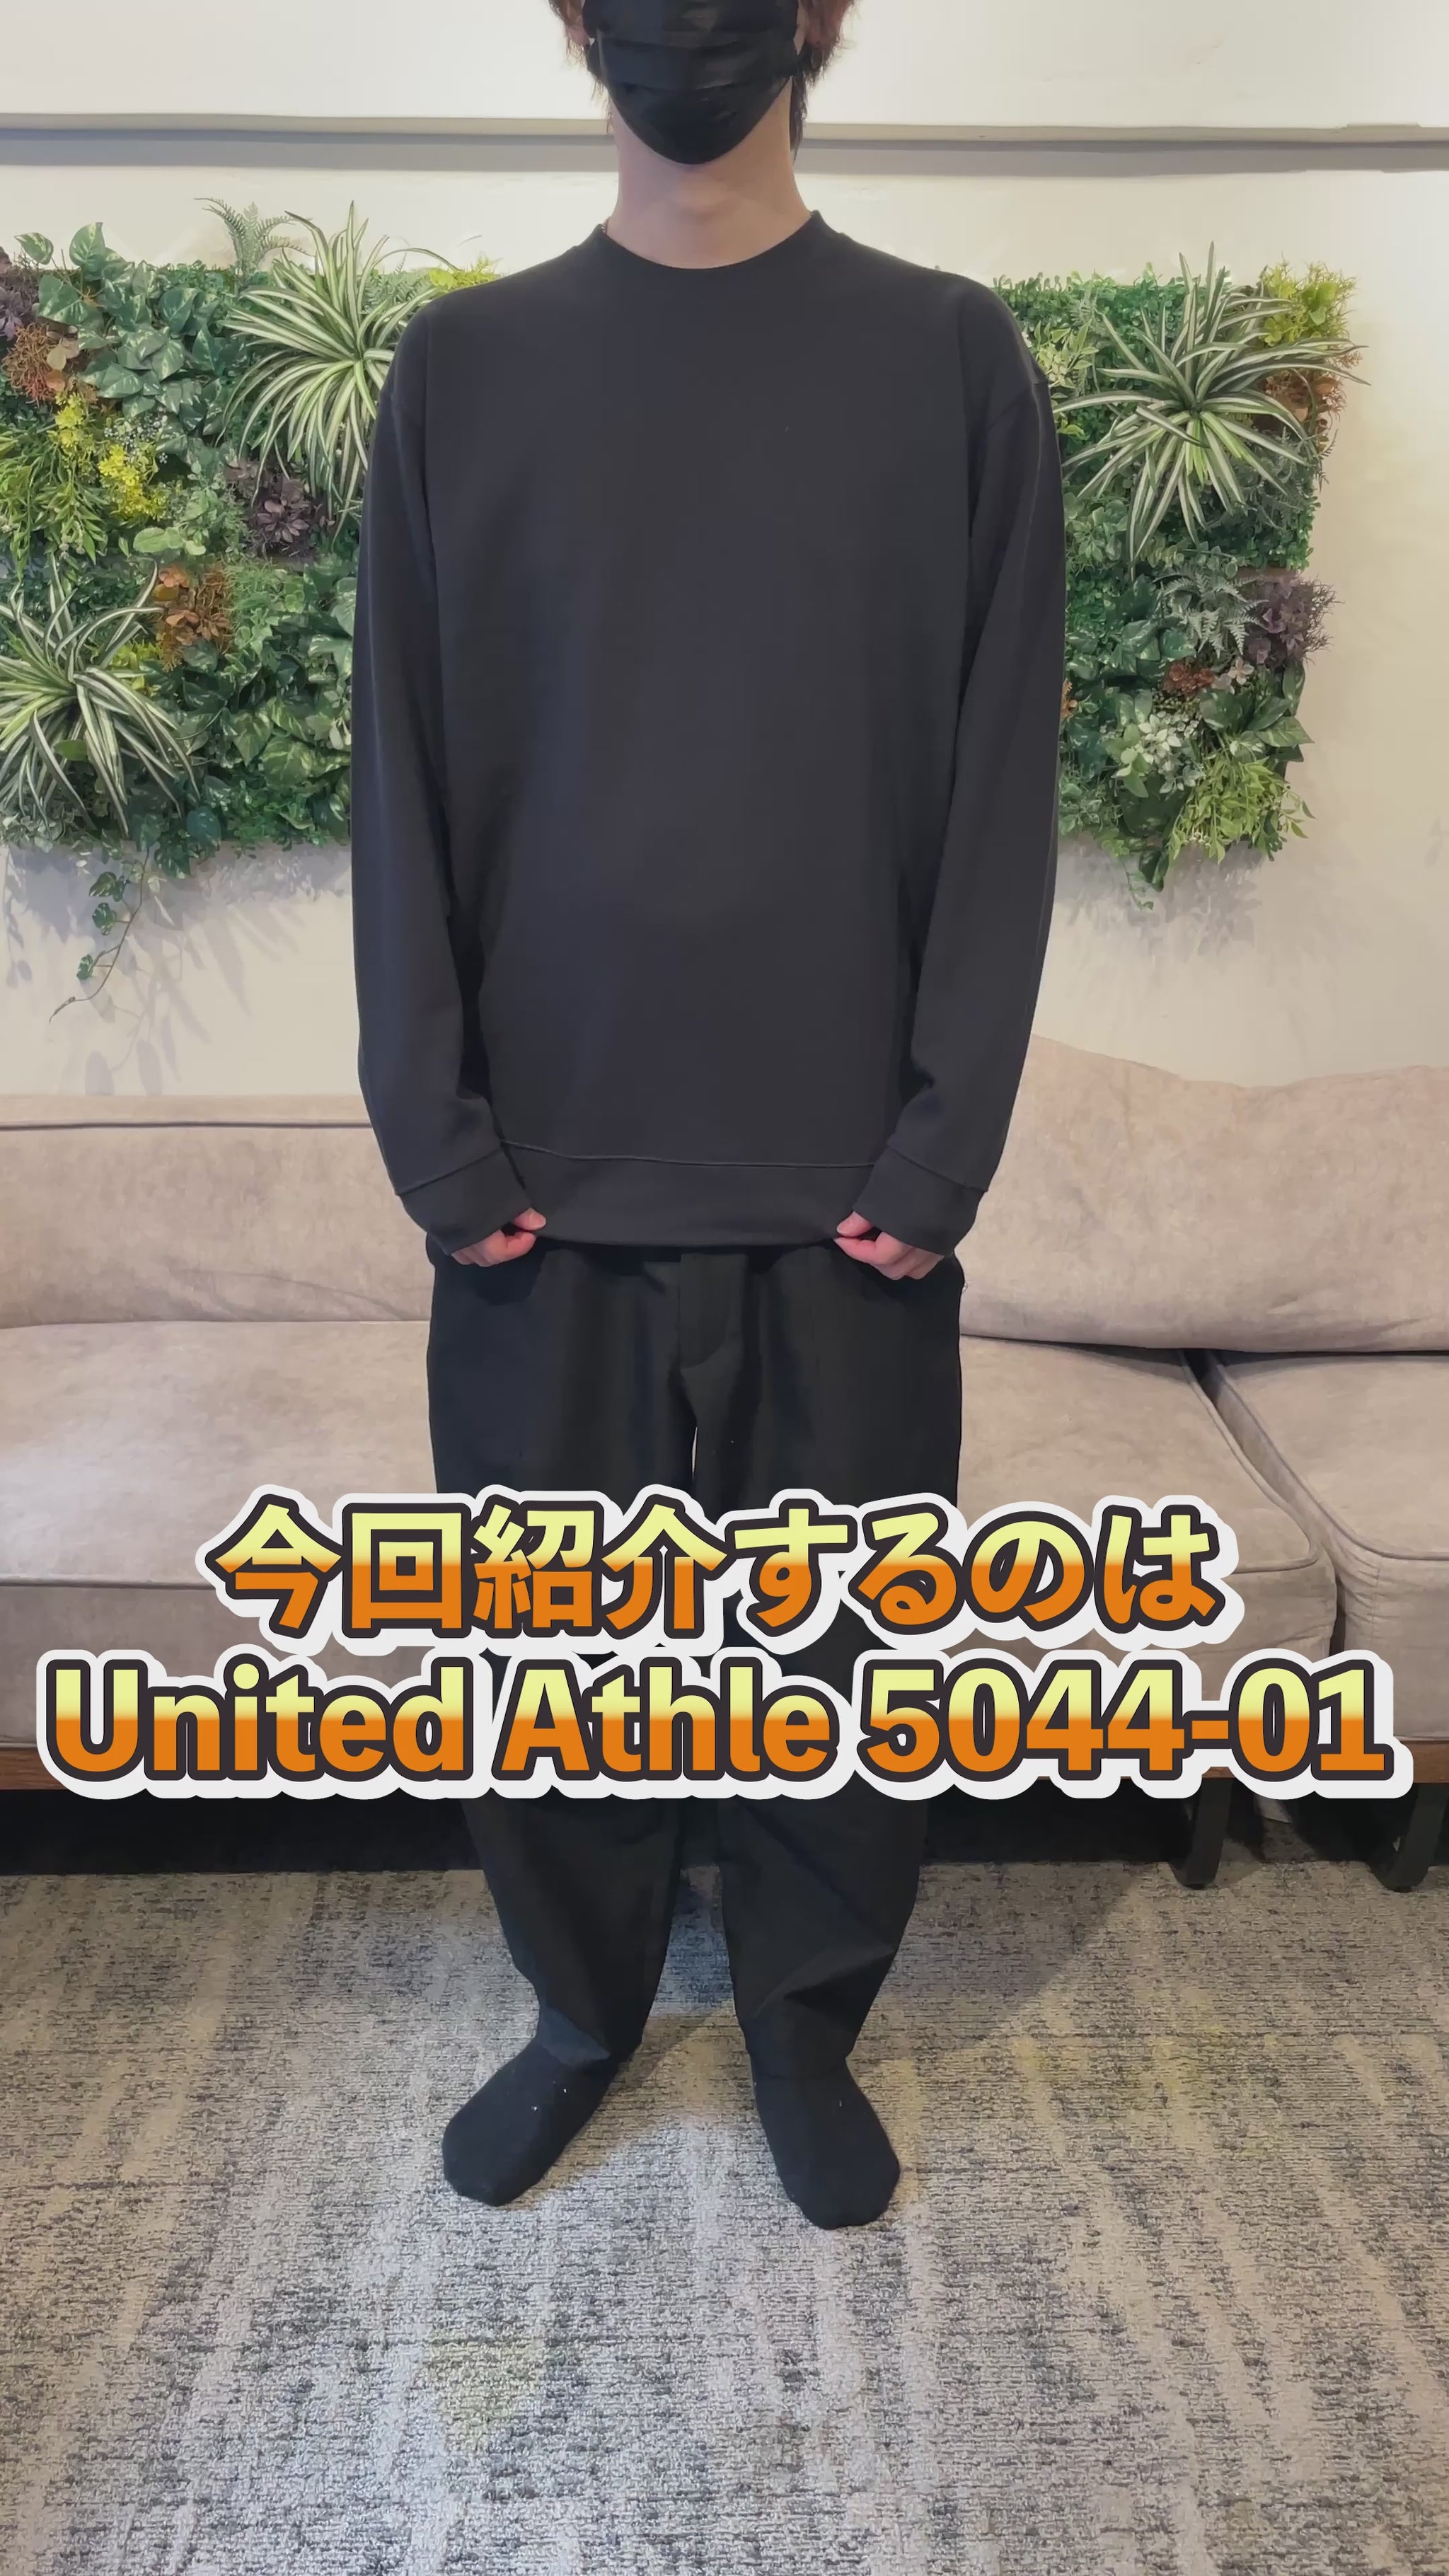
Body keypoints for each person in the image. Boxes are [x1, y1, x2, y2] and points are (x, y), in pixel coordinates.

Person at [350, 0, 1067, 2229]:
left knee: (841, 1652)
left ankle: (799, 2017)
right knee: (548, 1654)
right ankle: (579, 2014)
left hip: (849, 1190)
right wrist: (438, 1139)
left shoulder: (953, 365)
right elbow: (398, 781)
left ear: (827, 12)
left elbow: (1003, 788)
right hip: (539, 1198)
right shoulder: (462, 373)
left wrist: (942, 1145)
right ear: (574, 20)